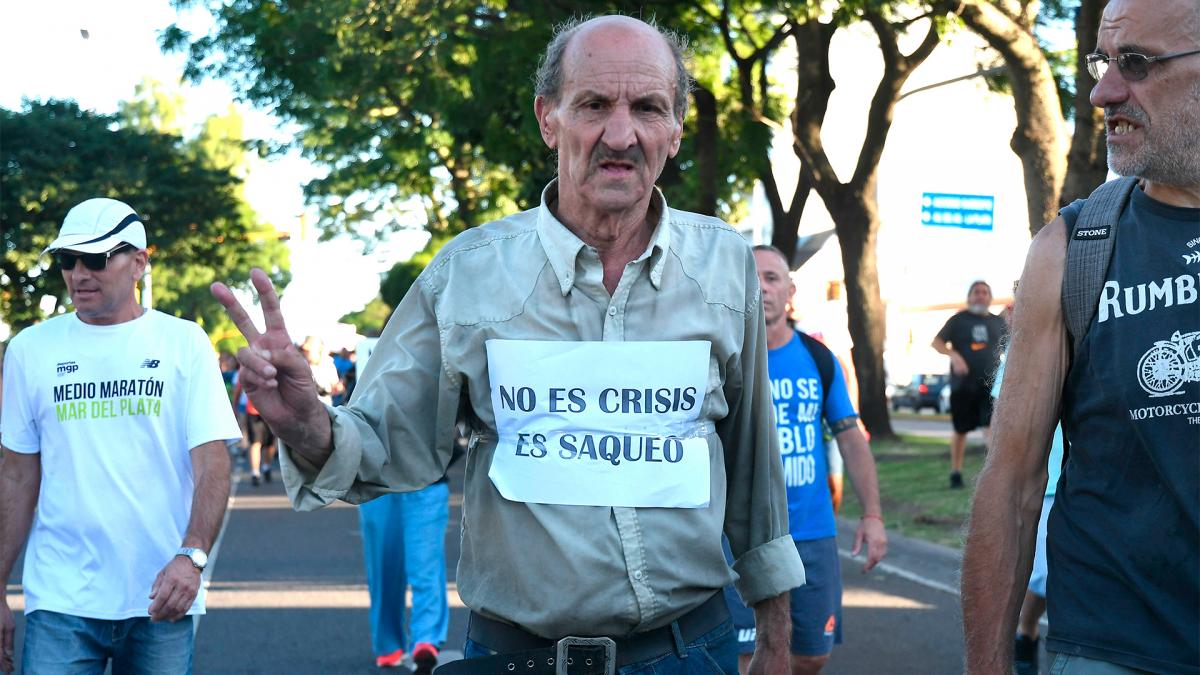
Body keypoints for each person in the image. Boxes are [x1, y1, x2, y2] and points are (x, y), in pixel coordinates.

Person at [212, 15, 803, 674]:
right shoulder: (468, 274)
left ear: (675, 128)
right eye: (594, 105)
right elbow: (388, 442)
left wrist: (776, 638)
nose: (620, 133)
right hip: (518, 657)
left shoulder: (724, 263)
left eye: (647, 107)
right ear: (548, 117)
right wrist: (305, 423)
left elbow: (753, 465)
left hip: (692, 652)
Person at [962, 0, 1200, 672]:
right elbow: (1011, 482)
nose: (1103, 92)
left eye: (1137, 64)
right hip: (1108, 648)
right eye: (1103, 62)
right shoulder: (1071, 248)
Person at [0, 198, 240, 674]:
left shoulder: (184, 342)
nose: (79, 274)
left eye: (96, 258)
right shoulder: (30, 349)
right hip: (60, 597)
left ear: (139, 262)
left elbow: (212, 462)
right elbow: (16, 477)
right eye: (68, 260)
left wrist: (191, 557)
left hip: (161, 592)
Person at [722, 246, 887, 675]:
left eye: (772, 278)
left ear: (790, 291)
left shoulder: (818, 359)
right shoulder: (722, 356)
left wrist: (872, 515)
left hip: (812, 534)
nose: (761, 286)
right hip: (741, 539)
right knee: (748, 657)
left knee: (812, 653)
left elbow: (851, 437)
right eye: (752, 276)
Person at [358, 479, 450, 671]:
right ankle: (389, 642)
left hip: (427, 472)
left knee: (426, 563)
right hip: (376, 478)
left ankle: (426, 641)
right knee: (384, 566)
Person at [930, 281, 1006, 489]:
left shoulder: (998, 322)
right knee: (960, 429)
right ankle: (956, 472)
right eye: (976, 292)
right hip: (963, 385)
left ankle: (993, 476)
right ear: (969, 297)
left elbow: (1010, 346)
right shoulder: (957, 320)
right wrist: (954, 355)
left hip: (991, 385)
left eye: (984, 292)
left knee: (991, 427)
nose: (980, 296)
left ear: (990, 297)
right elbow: (937, 343)